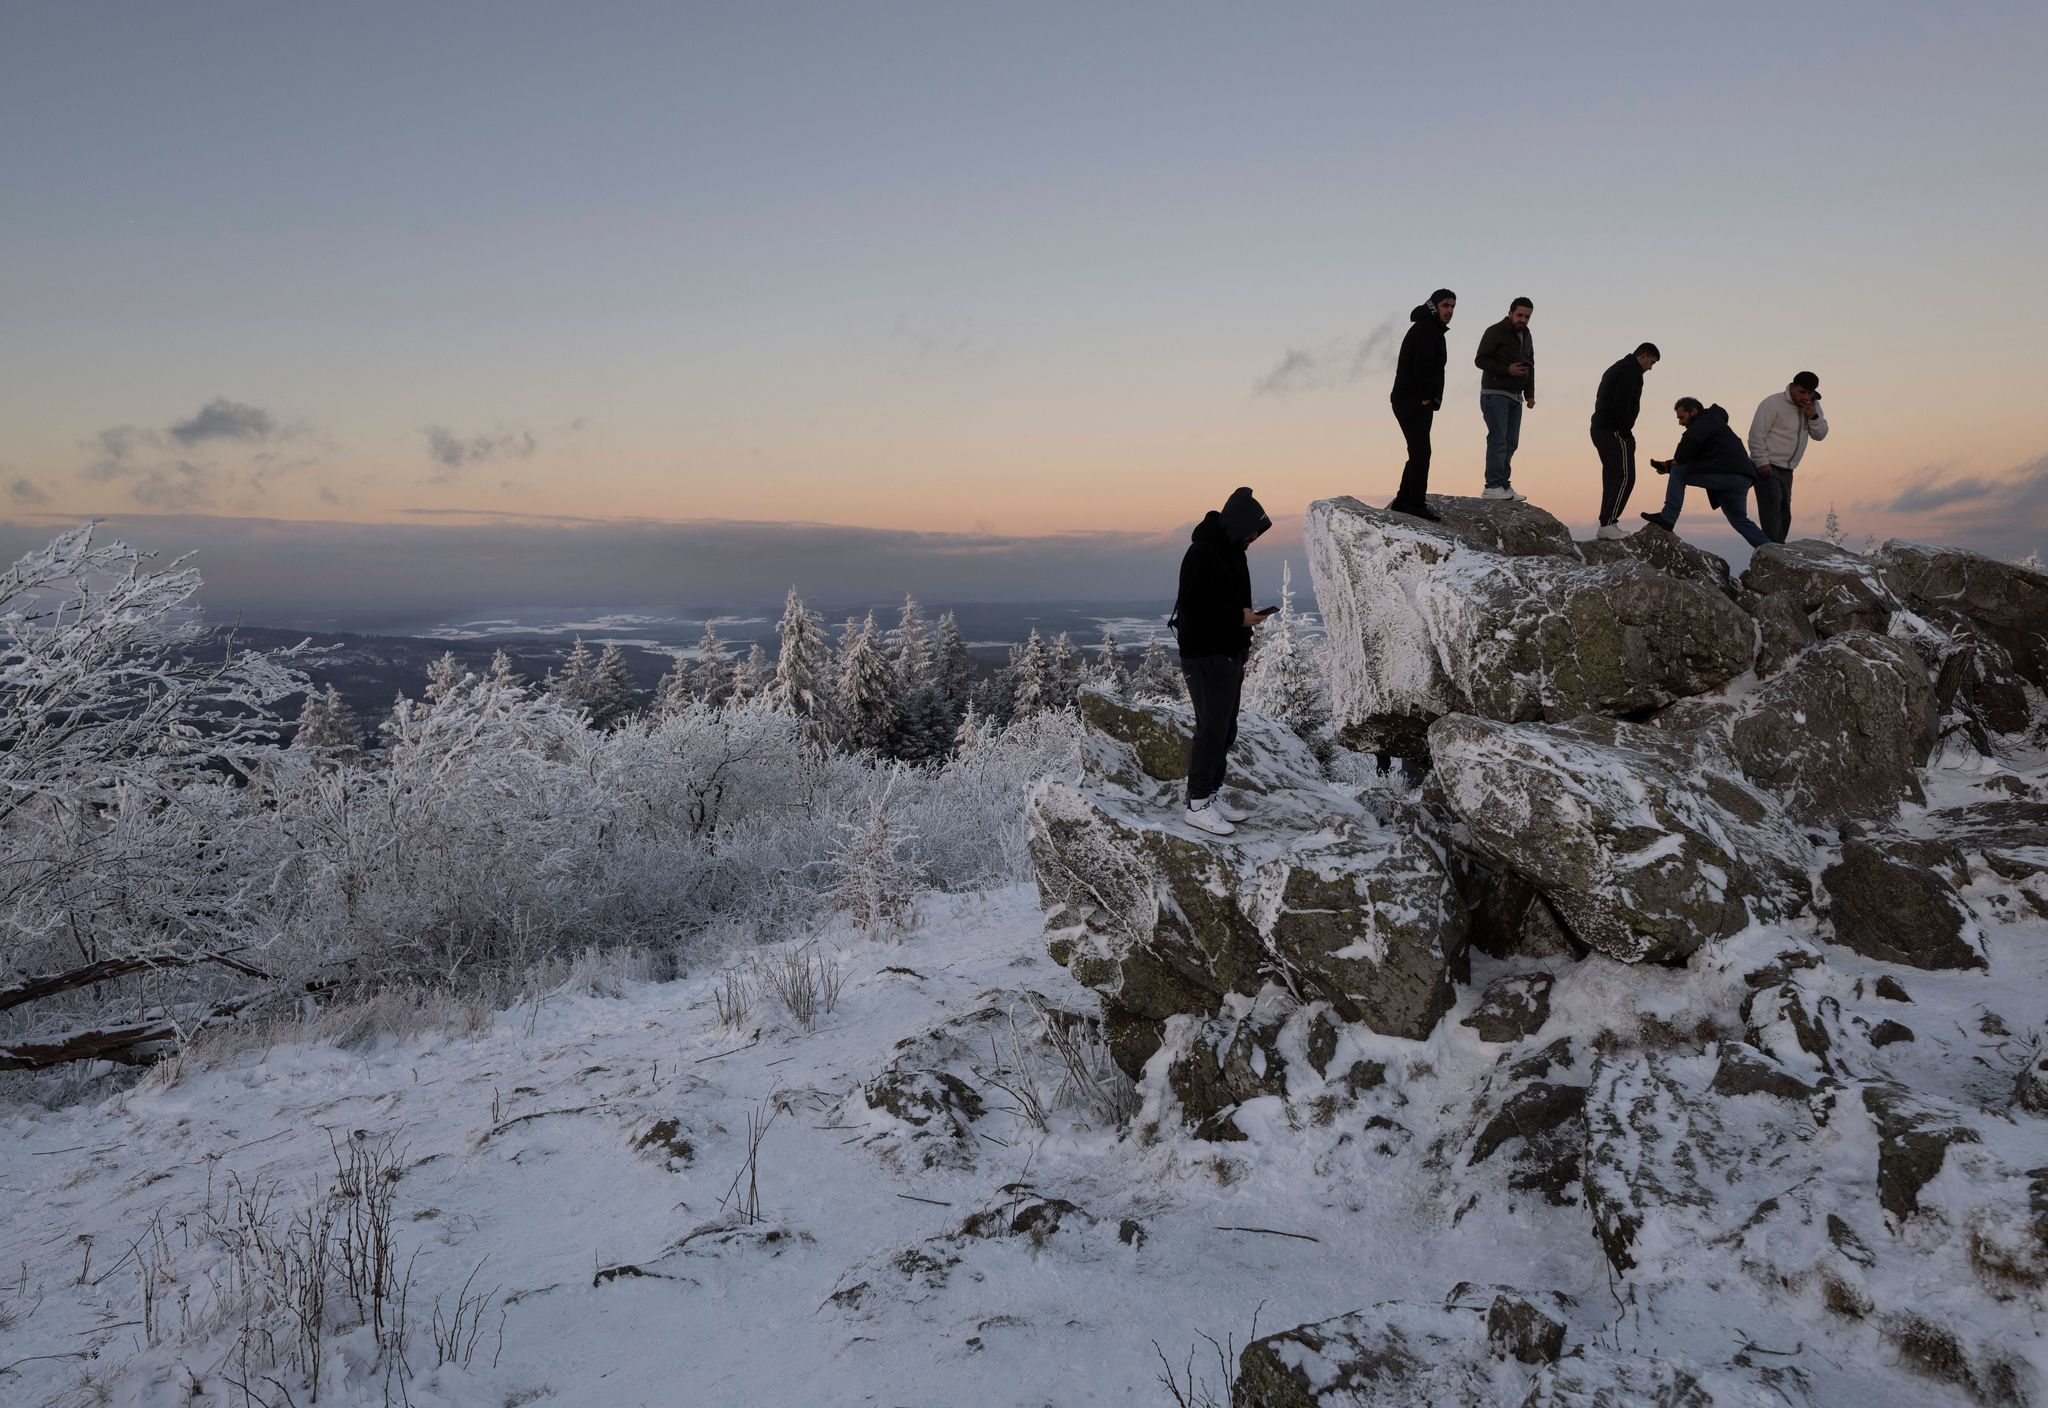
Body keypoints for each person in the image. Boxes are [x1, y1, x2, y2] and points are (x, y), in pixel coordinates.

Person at [1171, 487, 1272, 837]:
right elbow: (1194, 610)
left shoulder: (1233, 552)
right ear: (1237, 525)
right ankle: (1197, 804)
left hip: (1229, 654)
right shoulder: (1201, 553)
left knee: (1225, 730)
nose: (1253, 539)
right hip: (1205, 656)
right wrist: (1237, 618)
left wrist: (1246, 620)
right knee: (1211, 731)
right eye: (1251, 532)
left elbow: (1230, 602)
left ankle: (1210, 795)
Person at [1639, 397, 1768, 548]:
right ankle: (1771, 550)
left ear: (1693, 412)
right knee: (1739, 520)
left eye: (1681, 417)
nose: (1680, 423)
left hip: (1729, 476)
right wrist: (1668, 465)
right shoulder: (1712, 424)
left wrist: (1673, 466)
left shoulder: (1705, 423)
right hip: (1742, 478)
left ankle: (1668, 518)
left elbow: (1682, 454)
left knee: (1679, 471)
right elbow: (1695, 457)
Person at [1388, 289, 1455, 522]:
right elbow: (1424, 365)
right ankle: (1414, 504)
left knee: (1418, 451)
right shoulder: (1427, 329)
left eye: (1453, 307)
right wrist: (1427, 396)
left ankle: (1404, 500)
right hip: (1412, 400)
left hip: (1411, 399)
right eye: (1446, 305)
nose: (1450, 311)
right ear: (1434, 306)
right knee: (1421, 452)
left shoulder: (1430, 329)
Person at [1747, 371, 1829, 543]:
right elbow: (1756, 434)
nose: (1805, 396)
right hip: (1768, 465)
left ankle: (1777, 552)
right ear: (1792, 387)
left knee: (1784, 513)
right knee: (1772, 512)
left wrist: (1813, 416)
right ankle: (1775, 554)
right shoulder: (1773, 403)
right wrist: (1761, 461)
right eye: (1801, 392)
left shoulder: (1813, 406)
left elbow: (1820, 435)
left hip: (1788, 468)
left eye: (1809, 393)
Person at [1590, 342, 1660, 539]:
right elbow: (1622, 402)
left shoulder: (1617, 367)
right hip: (1613, 430)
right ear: (1643, 356)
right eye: (1651, 362)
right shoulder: (1632, 371)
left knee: (1612, 477)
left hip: (1600, 428)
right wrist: (1626, 431)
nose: (1651, 368)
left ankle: (1606, 523)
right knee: (1625, 477)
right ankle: (1608, 523)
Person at [1474, 297, 1536, 501]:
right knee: (1498, 440)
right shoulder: (1495, 331)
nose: (1523, 320)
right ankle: (1492, 486)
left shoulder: (1526, 335)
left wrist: (1530, 394)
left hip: (1515, 397)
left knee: (1511, 442)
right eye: (1520, 315)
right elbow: (1480, 359)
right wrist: (1506, 370)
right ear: (1510, 313)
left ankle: (1503, 484)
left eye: (1527, 317)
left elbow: (1530, 365)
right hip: (1495, 394)